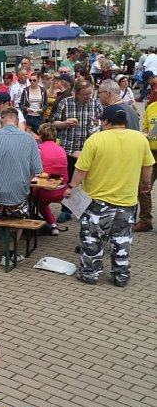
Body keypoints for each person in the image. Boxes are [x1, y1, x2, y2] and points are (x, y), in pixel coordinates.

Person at [67, 105, 154, 287]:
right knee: (122, 240)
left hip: (97, 201)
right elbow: (148, 166)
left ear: (106, 121)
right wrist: (146, 184)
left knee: (92, 239)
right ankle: (121, 276)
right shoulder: (140, 139)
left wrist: (72, 187)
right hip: (127, 201)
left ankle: (90, 273)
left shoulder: (95, 140)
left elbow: (81, 169)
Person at [0, 108, 43, 265]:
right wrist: (26, 179)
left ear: (1, 120)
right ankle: (9, 255)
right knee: (17, 219)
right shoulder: (29, 139)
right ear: (17, 121)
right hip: (17, 194)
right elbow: (37, 168)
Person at [51, 79, 102, 223]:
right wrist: (64, 124)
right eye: (85, 94)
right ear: (76, 93)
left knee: (89, 181)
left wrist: (98, 122)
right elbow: (53, 122)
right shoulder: (66, 103)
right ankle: (66, 210)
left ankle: (86, 210)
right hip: (68, 148)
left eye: (90, 93)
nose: (88, 97)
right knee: (69, 181)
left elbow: (104, 123)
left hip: (89, 149)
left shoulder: (95, 103)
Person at [34, 124, 69, 236]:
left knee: (29, 197)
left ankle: (47, 224)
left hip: (44, 191)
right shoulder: (61, 149)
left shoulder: (39, 149)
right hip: (62, 189)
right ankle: (52, 224)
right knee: (43, 203)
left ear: (40, 135)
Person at [136, 91, 157, 232]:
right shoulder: (151, 107)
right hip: (152, 154)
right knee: (143, 186)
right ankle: (145, 221)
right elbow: (145, 127)